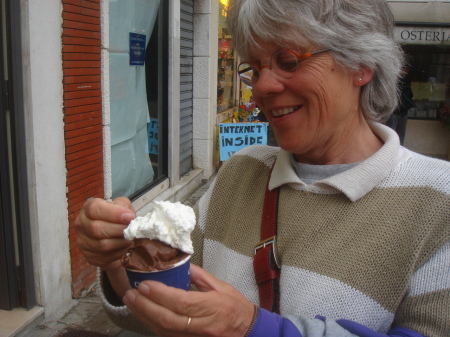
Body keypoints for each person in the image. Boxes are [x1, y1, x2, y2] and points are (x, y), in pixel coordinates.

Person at [74, 0, 450, 336]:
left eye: (288, 61)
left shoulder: (438, 201)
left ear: (361, 65)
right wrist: (116, 262)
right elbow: (163, 312)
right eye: (254, 68)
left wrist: (252, 327)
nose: (263, 87)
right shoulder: (241, 172)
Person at [386, 66, 414, 145]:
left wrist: (407, 105)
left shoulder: (407, 81)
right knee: (391, 132)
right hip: (394, 110)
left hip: (404, 110)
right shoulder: (394, 80)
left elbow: (409, 94)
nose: (405, 71)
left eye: (407, 69)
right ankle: (390, 148)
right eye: (404, 69)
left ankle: (400, 148)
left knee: (401, 133)